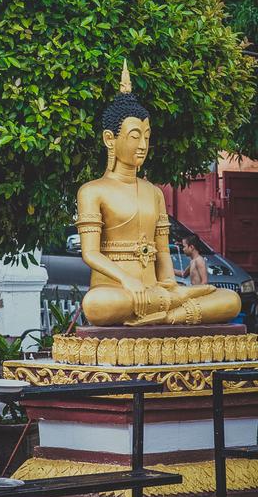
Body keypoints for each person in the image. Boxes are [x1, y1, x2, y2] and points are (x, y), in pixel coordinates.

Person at [77, 61, 240, 326]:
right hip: (116, 292)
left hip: (158, 292)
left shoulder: (154, 193)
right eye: (134, 136)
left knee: (230, 301)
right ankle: (168, 310)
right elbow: (91, 254)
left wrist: (168, 284)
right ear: (110, 139)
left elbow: (163, 252)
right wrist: (127, 281)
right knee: (97, 306)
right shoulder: (93, 191)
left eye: (146, 136)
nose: (142, 145)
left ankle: (167, 315)